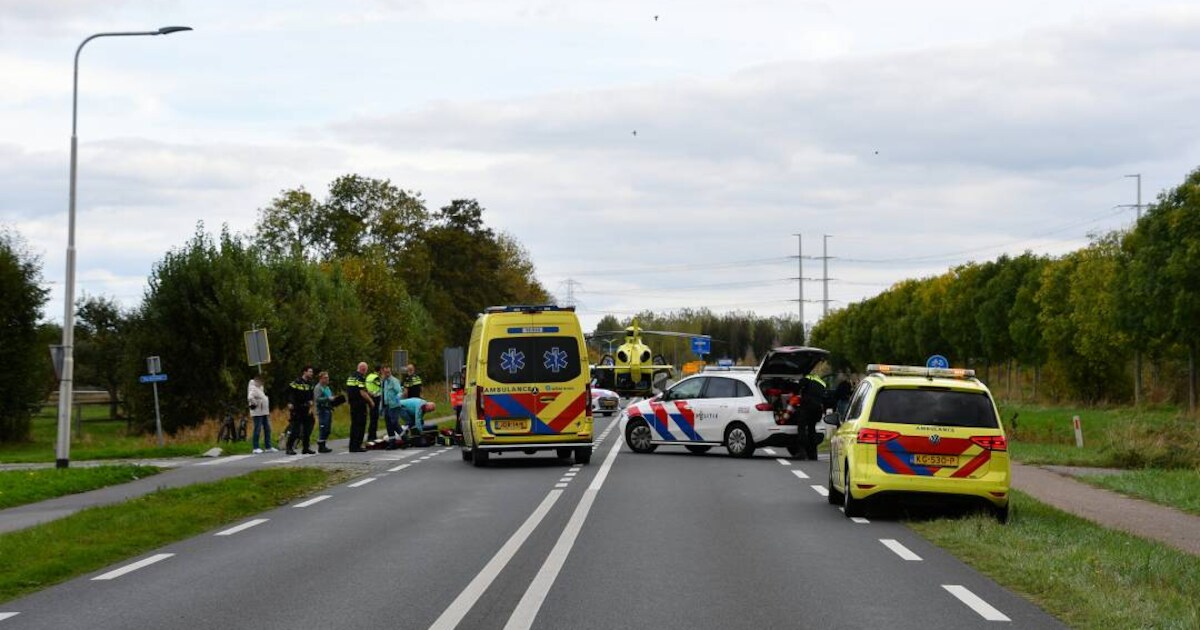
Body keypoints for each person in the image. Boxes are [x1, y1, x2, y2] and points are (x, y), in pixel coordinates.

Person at [286, 365, 316, 455]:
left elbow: (311, 394)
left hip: (306, 408)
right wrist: (290, 403)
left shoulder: (310, 383)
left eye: (312, 372)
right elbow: (290, 393)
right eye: (310, 371)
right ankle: (289, 448)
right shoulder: (296, 382)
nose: (311, 373)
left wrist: (311, 403)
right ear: (304, 372)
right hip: (297, 408)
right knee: (295, 430)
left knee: (307, 429)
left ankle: (306, 448)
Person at [346, 362, 372, 452]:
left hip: (353, 404)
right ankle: (357, 445)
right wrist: (371, 402)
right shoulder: (360, 377)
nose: (366, 372)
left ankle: (352, 446)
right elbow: (362, 393)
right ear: (363, 369)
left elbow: (354, 390)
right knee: (361, 424)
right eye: (366, 370)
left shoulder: (351, 376)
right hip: (360, 404)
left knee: (354, 425)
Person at [247, 374, 274, 453]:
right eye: (261, 382)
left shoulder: (260, 388)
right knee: (257, 429)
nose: (262, 383)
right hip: (257, 412)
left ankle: (268, 446)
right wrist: (255, 403)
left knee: (267, 428)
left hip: (264, 412)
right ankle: (255, 447)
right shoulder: (253, 388)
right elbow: (250, 397)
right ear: (257, 381)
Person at [381, 366, 405, 449]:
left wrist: (397, 398)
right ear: (383, 372)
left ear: (390, 372)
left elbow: (399, 391)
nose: (387, 374)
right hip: (386, 406)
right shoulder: (384, 382)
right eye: (385, 372)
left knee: (394, 422)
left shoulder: (394, 381)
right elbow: (383, 394)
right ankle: (392, 443)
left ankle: (405, 438)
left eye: (388, 372)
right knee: (389, 425)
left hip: (394, 405)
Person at [313, 370, 335, 453]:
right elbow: (317, 399)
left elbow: (330, 396)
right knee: (323, 427)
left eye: (328, 377)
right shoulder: (318, 388)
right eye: (325, 378)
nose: (327, 379)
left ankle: (324, 443)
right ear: (321, 378)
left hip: (328, 408)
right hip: (322, 410)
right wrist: (327, 399)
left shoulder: (327, 387)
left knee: (328, 428)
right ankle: (321, 445)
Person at [365, 364, 383, 442]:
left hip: (369, 397)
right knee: (374, 418)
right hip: (375, 398)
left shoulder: (369, 376)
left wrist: (369, 393)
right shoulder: (376, 378)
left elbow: (366, 386)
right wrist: (374, 393)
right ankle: (372, 436)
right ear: (380, 370)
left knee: (372, 418)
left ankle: (371, 435)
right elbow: (380, 388)